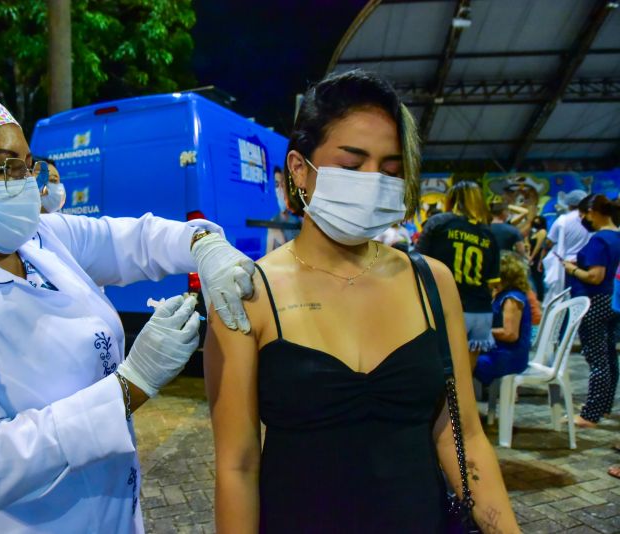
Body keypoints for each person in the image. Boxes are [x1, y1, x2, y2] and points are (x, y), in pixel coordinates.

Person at [0, 87, 257, 533]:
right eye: (1, 167)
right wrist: (131, 386)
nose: (26, 182)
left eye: (26, 164)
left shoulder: (41, 240)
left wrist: (204, 245)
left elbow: (135, 241)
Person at [205, 70, 518, 533]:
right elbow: (238, 465)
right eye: (352, 166)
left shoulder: (431, 281)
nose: (373, 182)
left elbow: (463, 435)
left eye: (390, 170)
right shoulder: (249, 295)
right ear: (299, 170)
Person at [416, 181, 501, 367]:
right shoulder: (488, 235)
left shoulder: (439, 222)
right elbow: (492, 283)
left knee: (441, 378)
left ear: (451, 199)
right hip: (481, 313)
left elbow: (417, 262)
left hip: (447, 309)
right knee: (465, 381)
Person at [562, 194, 620, 428]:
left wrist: (571, 269)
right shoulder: (616, 237)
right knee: (609, 357)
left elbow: (595, 276)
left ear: (594, 212)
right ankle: (603, 407)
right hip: (612, 301)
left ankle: (590, 414)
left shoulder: (599, 240)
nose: (584, 219)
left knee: (597, 359)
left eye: (584, 214)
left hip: (595, 301)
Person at [474, 252, 532, 386]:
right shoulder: (504, 294)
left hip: (507, 357)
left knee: (460, 363)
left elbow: (510, 334)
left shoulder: (512, 299)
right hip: (500, 353)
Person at [541, 189, 589, 306]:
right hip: (587, 264)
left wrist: (541, 258)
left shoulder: (562, 220)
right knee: (584, 299)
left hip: (566, 265)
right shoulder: (590, 219)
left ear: (569, 204)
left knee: (566, 300)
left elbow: (549, 242)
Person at [265, 166, 302, 252]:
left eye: (283, 184)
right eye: (277, 185)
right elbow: (267, 258)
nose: (280, 189)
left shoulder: (298, 221)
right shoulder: (273, 223)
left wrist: (283, 243)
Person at [528, 215, 548, 300]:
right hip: (532, 257)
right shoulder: (534, 232)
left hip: (538, 257)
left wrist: (532, 257)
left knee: (538, 278)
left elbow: (538, 246)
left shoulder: (542, 232)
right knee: (533, 278)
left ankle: (540, 297)